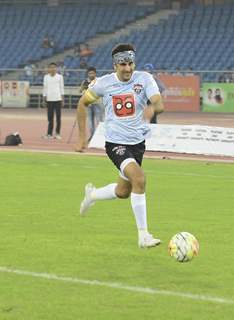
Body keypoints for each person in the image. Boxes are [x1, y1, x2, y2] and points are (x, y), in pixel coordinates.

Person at [76, 43, 164, 248]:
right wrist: (82, 137)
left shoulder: (144, 78)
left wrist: (152, 110)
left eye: (131, 63)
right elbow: (82, 103)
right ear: (115, 65)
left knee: (124, 191)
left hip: (137, 144)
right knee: (139, 179)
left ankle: (93, 195)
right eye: (123, 64)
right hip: (116, 143)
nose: (128, 68)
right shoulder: (103, 83)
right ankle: (143, 235)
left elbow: (158, 102)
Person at [79, 67, 104, 140]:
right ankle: (92, 136)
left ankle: (100, 136)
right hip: (88, 104)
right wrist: (83, 88)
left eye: (93, 73)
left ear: (95, 73)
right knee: (90, 121)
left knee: (99, 120)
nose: (91, 74)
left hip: (97, 103)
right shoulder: (85, 82)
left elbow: (102, 91)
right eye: (90, 73)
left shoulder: (99, 81)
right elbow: (80, 91)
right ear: (87, 74)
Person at [42, 62, 64, 139]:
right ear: (48, 68)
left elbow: (62, 88)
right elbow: (45, 88)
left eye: (54, 67)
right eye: (51, 67)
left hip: (58, 99)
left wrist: (62, 99)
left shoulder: (60, 77)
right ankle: (49, 133)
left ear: (56, 68)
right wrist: (44, 99)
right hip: (49, 99)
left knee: (58, 117)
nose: (52, 69)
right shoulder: (46, 77)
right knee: (50, 117)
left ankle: (57, 133)